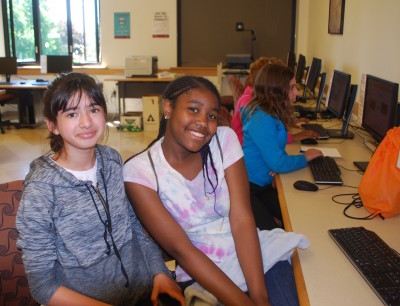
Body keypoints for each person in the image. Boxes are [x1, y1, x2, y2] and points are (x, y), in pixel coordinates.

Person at [124, 75, 310, 306]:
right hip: (200, 273)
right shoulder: (140, 171)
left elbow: (242, 219)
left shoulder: (224, 140)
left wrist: (259, 298)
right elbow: (182, 250)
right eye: (193, 109)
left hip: (254, 255)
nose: (203, 122)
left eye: (211, 115)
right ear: (168, 108)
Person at [16, 73, 184, 306]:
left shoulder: (112, 160)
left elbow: (134, 226)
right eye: (72, 114)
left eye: (94, 110)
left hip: (144, 289)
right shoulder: (41, 190)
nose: (86, 122)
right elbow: (44, 288)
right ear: (52, 125)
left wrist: (159, 273)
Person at [241, 64, 323, 230]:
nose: (296, 93)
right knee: (276, 237)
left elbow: (276, 154)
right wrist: (305, 157)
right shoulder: (262, 119)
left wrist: (278, 161)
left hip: (261, 185)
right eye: (292, 88)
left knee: (296, 217)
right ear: (276, 91)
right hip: (245, 189)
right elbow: (277, 163)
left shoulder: (272, 113)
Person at [231, 56, 319, 145]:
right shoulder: (249, 102)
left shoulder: (258, 97)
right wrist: (294, 137)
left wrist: (290, 121)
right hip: (243, 152)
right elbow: (265, 136)